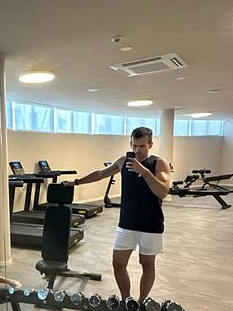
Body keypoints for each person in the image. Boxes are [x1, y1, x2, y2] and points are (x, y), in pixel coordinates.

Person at [64, 126, 171, 301]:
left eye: (142, 146)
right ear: (130, 143)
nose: (137, 150)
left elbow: (163, 191)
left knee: (147, 264)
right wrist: (76, 182)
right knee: (118, 264)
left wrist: (143, 172)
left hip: (151, 225)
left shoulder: (159, 163)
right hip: (127, 223)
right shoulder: (123, 161)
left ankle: (141, 302)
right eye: (134, 146)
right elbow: (100, 174)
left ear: (150, 144)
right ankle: (126, 300)